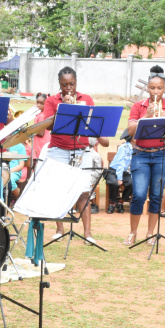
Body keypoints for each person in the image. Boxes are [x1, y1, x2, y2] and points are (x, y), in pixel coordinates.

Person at [39, 66, 108, 243]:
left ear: (76, 82)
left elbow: (93, 122)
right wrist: (63, 109)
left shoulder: (86, 99)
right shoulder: (51, 101)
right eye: (64, 85)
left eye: (71, 84)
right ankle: (60, 230)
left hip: (81, 149)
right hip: (58, 149)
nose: (68, 88)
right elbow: (47, 126)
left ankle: (87, 234)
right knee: (58, 190)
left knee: (84, 191)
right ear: (59, 85)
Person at [124, 65, 165, 246]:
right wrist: (146, 116)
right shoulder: (139, 106)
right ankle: (133, 233)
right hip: (141, 155)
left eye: (160, 88)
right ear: (148, 88)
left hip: (162, 155)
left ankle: (150, 234)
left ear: (164, 89)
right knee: (139, 194)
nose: (156, 91)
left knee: (156, 195)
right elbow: (131, 131)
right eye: (153, 88)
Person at [103, 135, 133, 216]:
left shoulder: (136, 148)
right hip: (113, 170)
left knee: (131, 183)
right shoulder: (124, 147)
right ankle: (112, 203)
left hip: (124, 171)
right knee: (114, 183)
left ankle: (121, 202)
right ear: (133, 139)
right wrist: (119, 178)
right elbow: (120, 163)